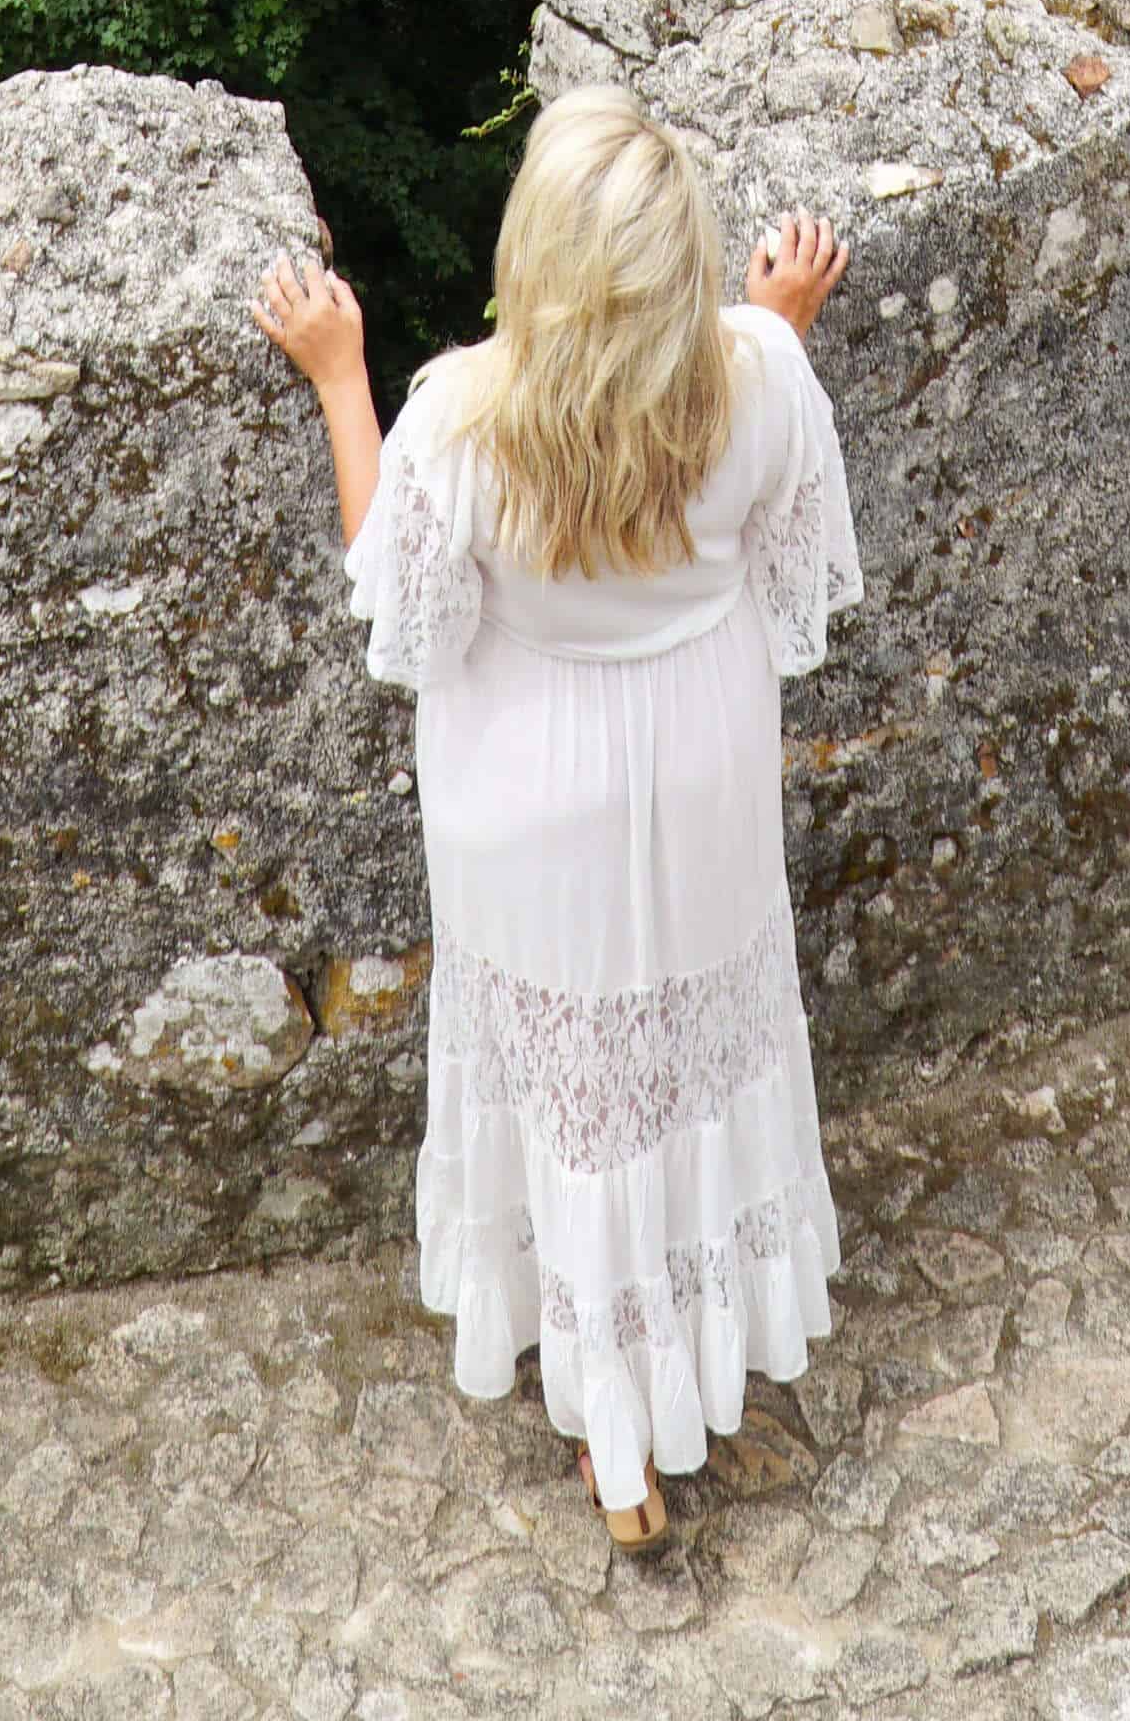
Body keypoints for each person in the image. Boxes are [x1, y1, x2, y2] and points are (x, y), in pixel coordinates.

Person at [256, 97, 862, 1552]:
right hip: (700, 762)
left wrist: (342, 376)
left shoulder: (467, 410)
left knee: (576, 1083)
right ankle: (698, 1349)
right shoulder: (759, 373)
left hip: (533, 788)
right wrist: (777, 320)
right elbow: (780, 531)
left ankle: (618, 1446)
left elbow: (394, 593)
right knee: (680, 1057)